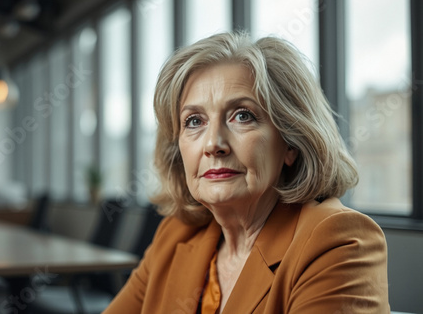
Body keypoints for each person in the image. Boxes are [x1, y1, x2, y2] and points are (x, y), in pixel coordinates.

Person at [103, 32, 390, 313]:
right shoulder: (176, 234)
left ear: (291, 143)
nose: (213, 144)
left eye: (243, 115)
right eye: (193, 121)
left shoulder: (337, 242)